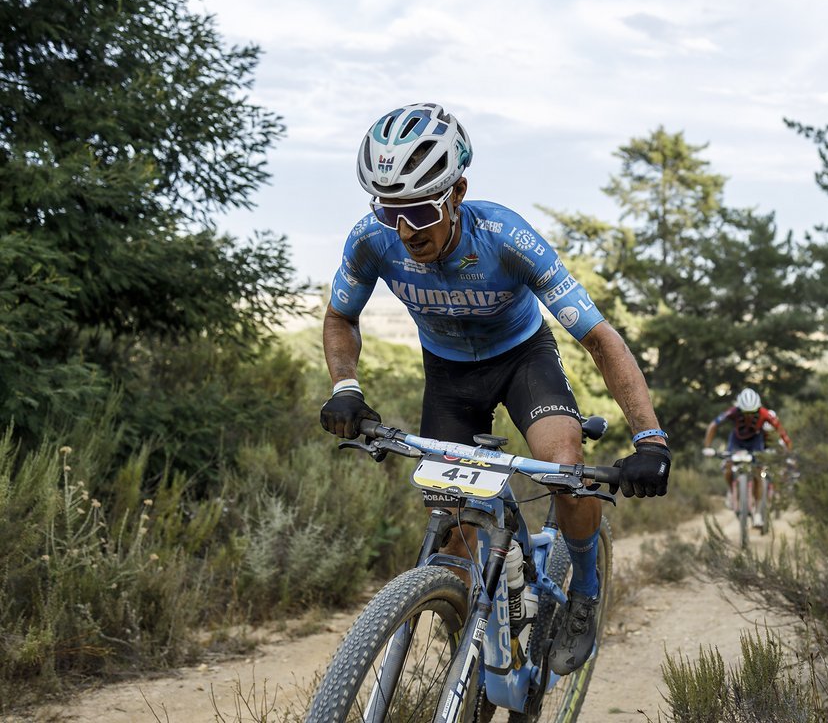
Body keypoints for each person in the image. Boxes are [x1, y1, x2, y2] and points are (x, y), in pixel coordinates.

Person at [319, 102, 670, 675]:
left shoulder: (505, 237)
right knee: (451, 535)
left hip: (522, 361)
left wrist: (650, 438)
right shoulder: (371, 240)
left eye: (423, 211)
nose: (407, 231)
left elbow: (600, 338)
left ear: (457, 192)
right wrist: (347, 387)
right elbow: (340, 316)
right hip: (449, 375)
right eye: (391, 212)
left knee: (563, 466)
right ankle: (481, 648)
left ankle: (582, 587)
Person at [701, 387, 792, 527]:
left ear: (758, 408)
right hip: (736, 440)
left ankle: (757, 512)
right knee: (728, 466)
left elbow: (782, 432)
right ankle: (731, 492)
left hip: (756, 440)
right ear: (740, 409)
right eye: (745, 413)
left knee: (758, 473)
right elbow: (714, 425)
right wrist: (707, 447)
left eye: (752, 412)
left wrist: (788, 451)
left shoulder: (765, 413)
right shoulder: (733, 411)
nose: (749, 416)